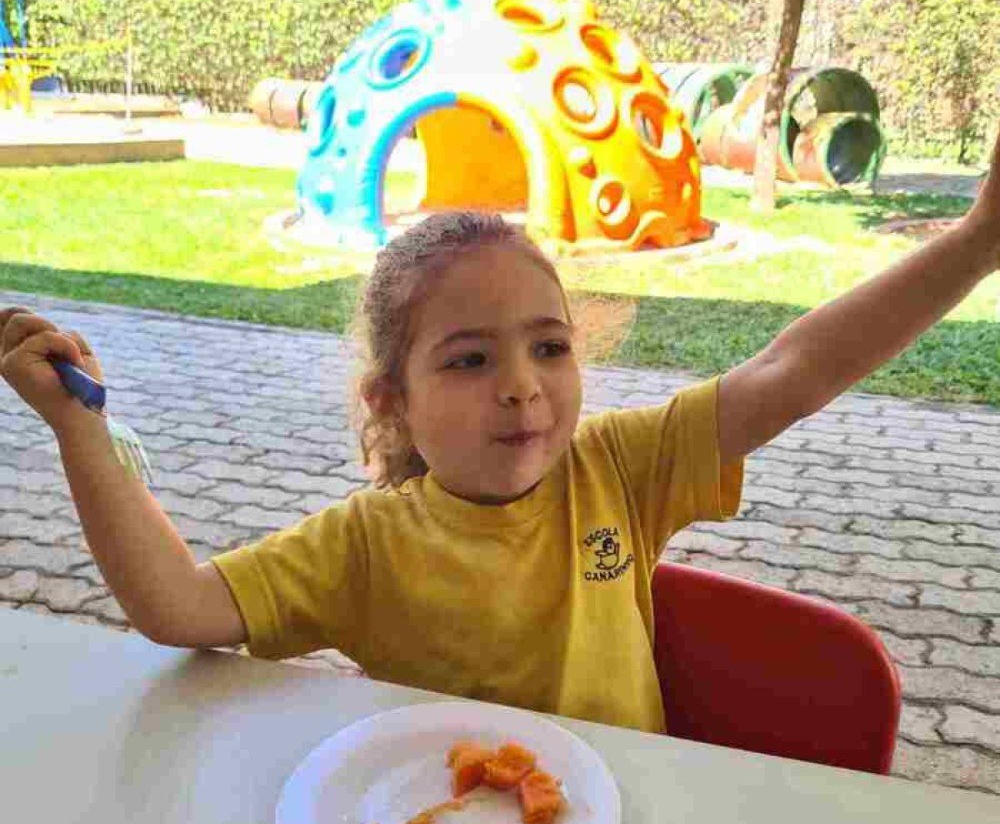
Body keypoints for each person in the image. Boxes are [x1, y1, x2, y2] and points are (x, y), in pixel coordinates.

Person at [2, 141, 999, 734]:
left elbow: (796, 370)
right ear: (392, 400)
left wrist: (975, 240)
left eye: (549, 347)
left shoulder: (619, 465)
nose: (523, 390)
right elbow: (180, 608)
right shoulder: (363, 544)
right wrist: (76, 429)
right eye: (470, 360)